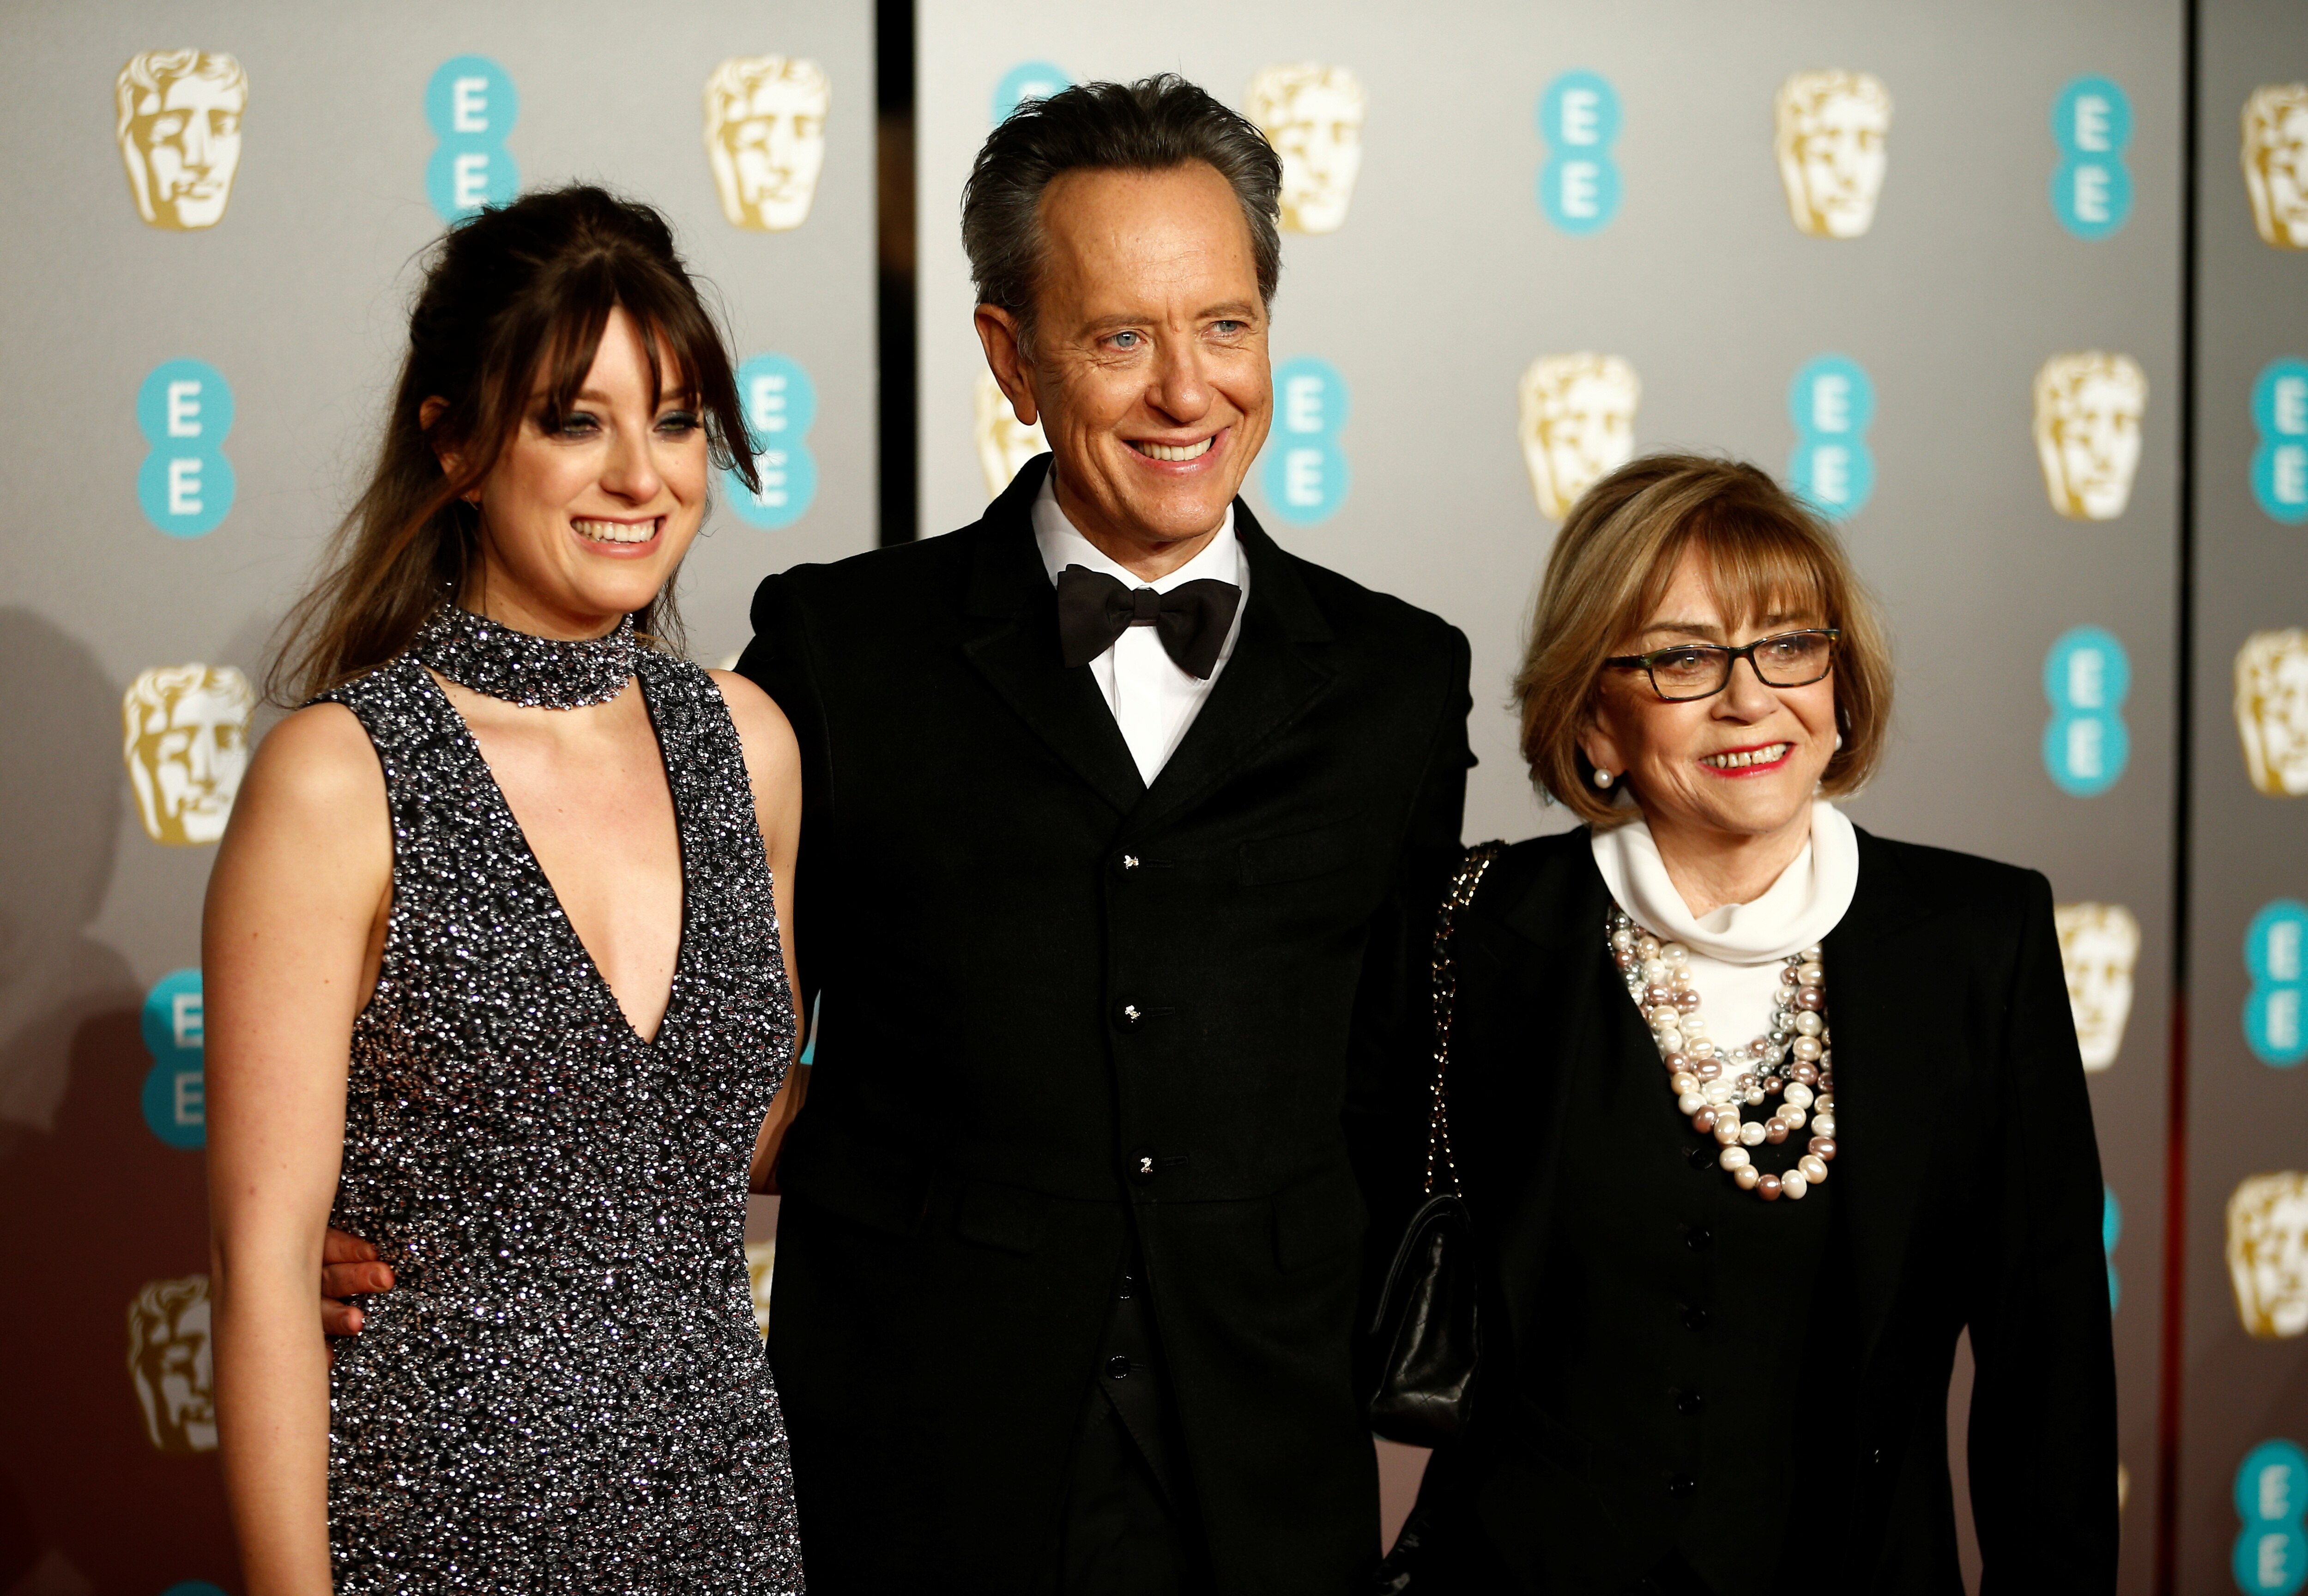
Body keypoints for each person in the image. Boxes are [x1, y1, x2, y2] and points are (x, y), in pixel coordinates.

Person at [740, 76, 1468, 1592]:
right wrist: (449, 1220)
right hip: (913, 1445)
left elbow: (1391, 1077)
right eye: (1118, 337)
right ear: (1010, 357)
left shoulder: (1398, 681)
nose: (1184, 391)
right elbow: (685, 1027)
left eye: (1223, 325)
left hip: (1265, 1459)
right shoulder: (840, 647)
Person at [206, 186, 809, 1594]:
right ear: (458, 444)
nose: (640, 477)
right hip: (430, 1530)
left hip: (720, 1521)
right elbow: (261, 1265)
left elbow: (742, 1123)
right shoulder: (339, 777)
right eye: (572, 419)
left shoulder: (747, 746)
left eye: (671, 420)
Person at [1389, 453, 2118, 1593]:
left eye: (1788, 643)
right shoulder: (1473, 934)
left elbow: (2050, 1365)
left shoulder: (1981, 938)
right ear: (1595, 721)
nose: (1748, 698)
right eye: (1682, 657)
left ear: (1840, 687)